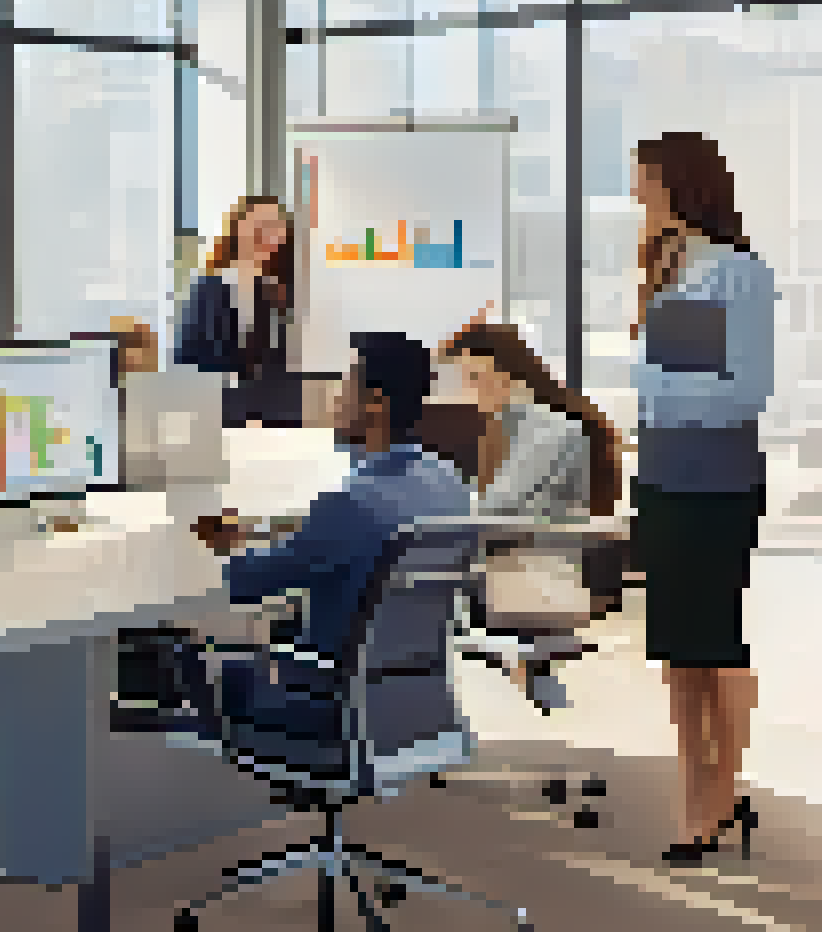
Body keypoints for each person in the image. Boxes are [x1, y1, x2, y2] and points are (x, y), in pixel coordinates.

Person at [188, 333, 472, 720]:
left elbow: (244, 582)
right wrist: (280, 534)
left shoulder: (352, 502)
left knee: (200, 661)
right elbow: (336, 543)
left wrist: (214, 546)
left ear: (375, 403)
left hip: (330, 702)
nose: (336, 398)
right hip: (413, 701)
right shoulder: (451, 484)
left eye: (346, 384)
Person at [626, 131, 775, 865]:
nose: (636, 197)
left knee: (714, 643)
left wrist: (662, 389)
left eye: (644, 184)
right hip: (661, 476)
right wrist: (664, 389)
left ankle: (722, 797)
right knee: (675, 650)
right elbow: (658, 384)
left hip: (717, 481)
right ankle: (694, 795)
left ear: (678, 188)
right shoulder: (665, 272)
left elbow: (744, 392)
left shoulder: (737, 274)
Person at [439, 319, 628, 706]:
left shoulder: (547, 429)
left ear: (506, 373)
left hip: (534, 576)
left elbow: (495, 508)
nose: (467, 391)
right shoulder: (517, 425)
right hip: (524, 569)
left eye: (474, 377)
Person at [176, 195, 295, 382]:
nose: (266, 233)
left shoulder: (280, 293)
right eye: (259, 224)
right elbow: (191, 359)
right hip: (220, 394)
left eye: (274, 226)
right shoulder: (209, 289)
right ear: (237, 227)